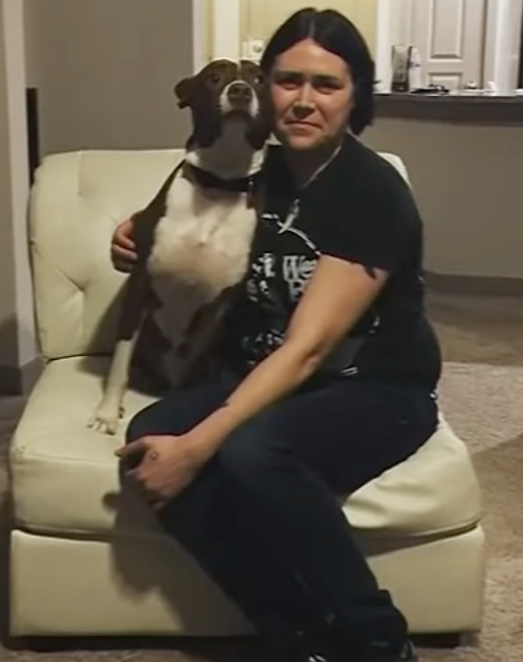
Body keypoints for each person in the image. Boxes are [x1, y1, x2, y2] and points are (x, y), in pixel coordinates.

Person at [111, 8, 441, 662]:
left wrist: (199, 445)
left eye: (326, 84)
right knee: (149, 433)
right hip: (274, 378)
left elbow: (310, 349)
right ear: (265, 89)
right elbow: (185, 220)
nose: (303, 100)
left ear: (357, 95)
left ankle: (377, 637)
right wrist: (135, 235)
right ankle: (294, 634)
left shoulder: (369, 191)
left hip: (375, 391)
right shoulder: (261, 176)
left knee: (248, 453)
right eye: (288, 82)